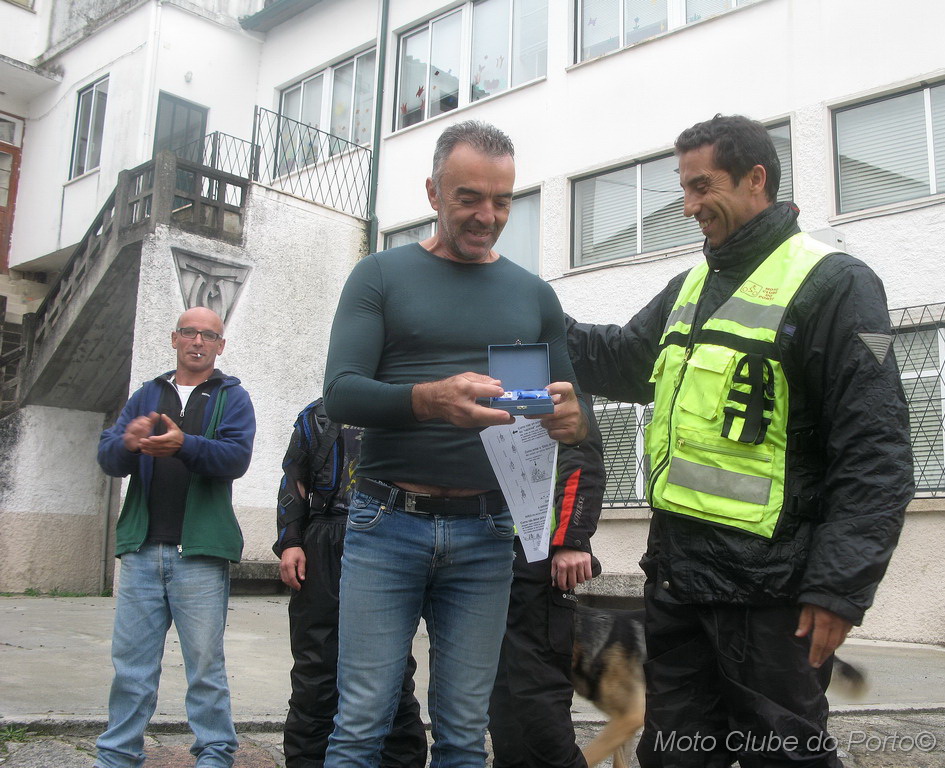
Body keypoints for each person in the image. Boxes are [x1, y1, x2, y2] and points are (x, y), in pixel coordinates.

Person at [565, 114, 915, 768]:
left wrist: (839, 588)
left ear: (756, 179)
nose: (689, 206)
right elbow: (622, 360)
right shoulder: (691, 287)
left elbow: (877, 450)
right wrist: (529, 309)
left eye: (703, 187)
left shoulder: (836, 284)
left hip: (774, 598)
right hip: (680, 585)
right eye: (684, 188)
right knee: (674, 757)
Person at [321, 119, 589, 768]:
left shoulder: (534, 295)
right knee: (360, 725)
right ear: (433, 192)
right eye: (469, 198)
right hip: (386, 524)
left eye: (503, 201)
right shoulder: (379, 275)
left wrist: (572, 420)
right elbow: (341, 394)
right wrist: (429, 399)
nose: (487, 216)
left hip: (487, 532)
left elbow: (572, 415)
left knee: (466, 734)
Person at [94, 306, 256, 768]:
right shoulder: (147, 394)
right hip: (142, 548)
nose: (198, 341)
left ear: (220, 346)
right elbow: (108, 456)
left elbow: (235, 459)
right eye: (189, 332)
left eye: (208, 335)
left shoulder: (232, 397)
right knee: (132, 665)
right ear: (174, 338)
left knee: (204, 665)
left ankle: (215, 752)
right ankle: (118, 754)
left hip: (199, 553)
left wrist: (184, 444)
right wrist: (128, 443)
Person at [275, 398, 427, 768]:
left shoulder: (406, 407)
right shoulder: (317, 415)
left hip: (389, 535)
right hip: (325, 537)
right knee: (317, 663)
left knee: (391, 665)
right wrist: (291, 542)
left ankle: (399, 760)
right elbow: (293, 478)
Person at [488, 394, 605, 768]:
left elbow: (580, 452)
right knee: (498, 699)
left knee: (537, 696)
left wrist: (572, 539)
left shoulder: (551, 376)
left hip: (536, 557)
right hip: (478, 554)